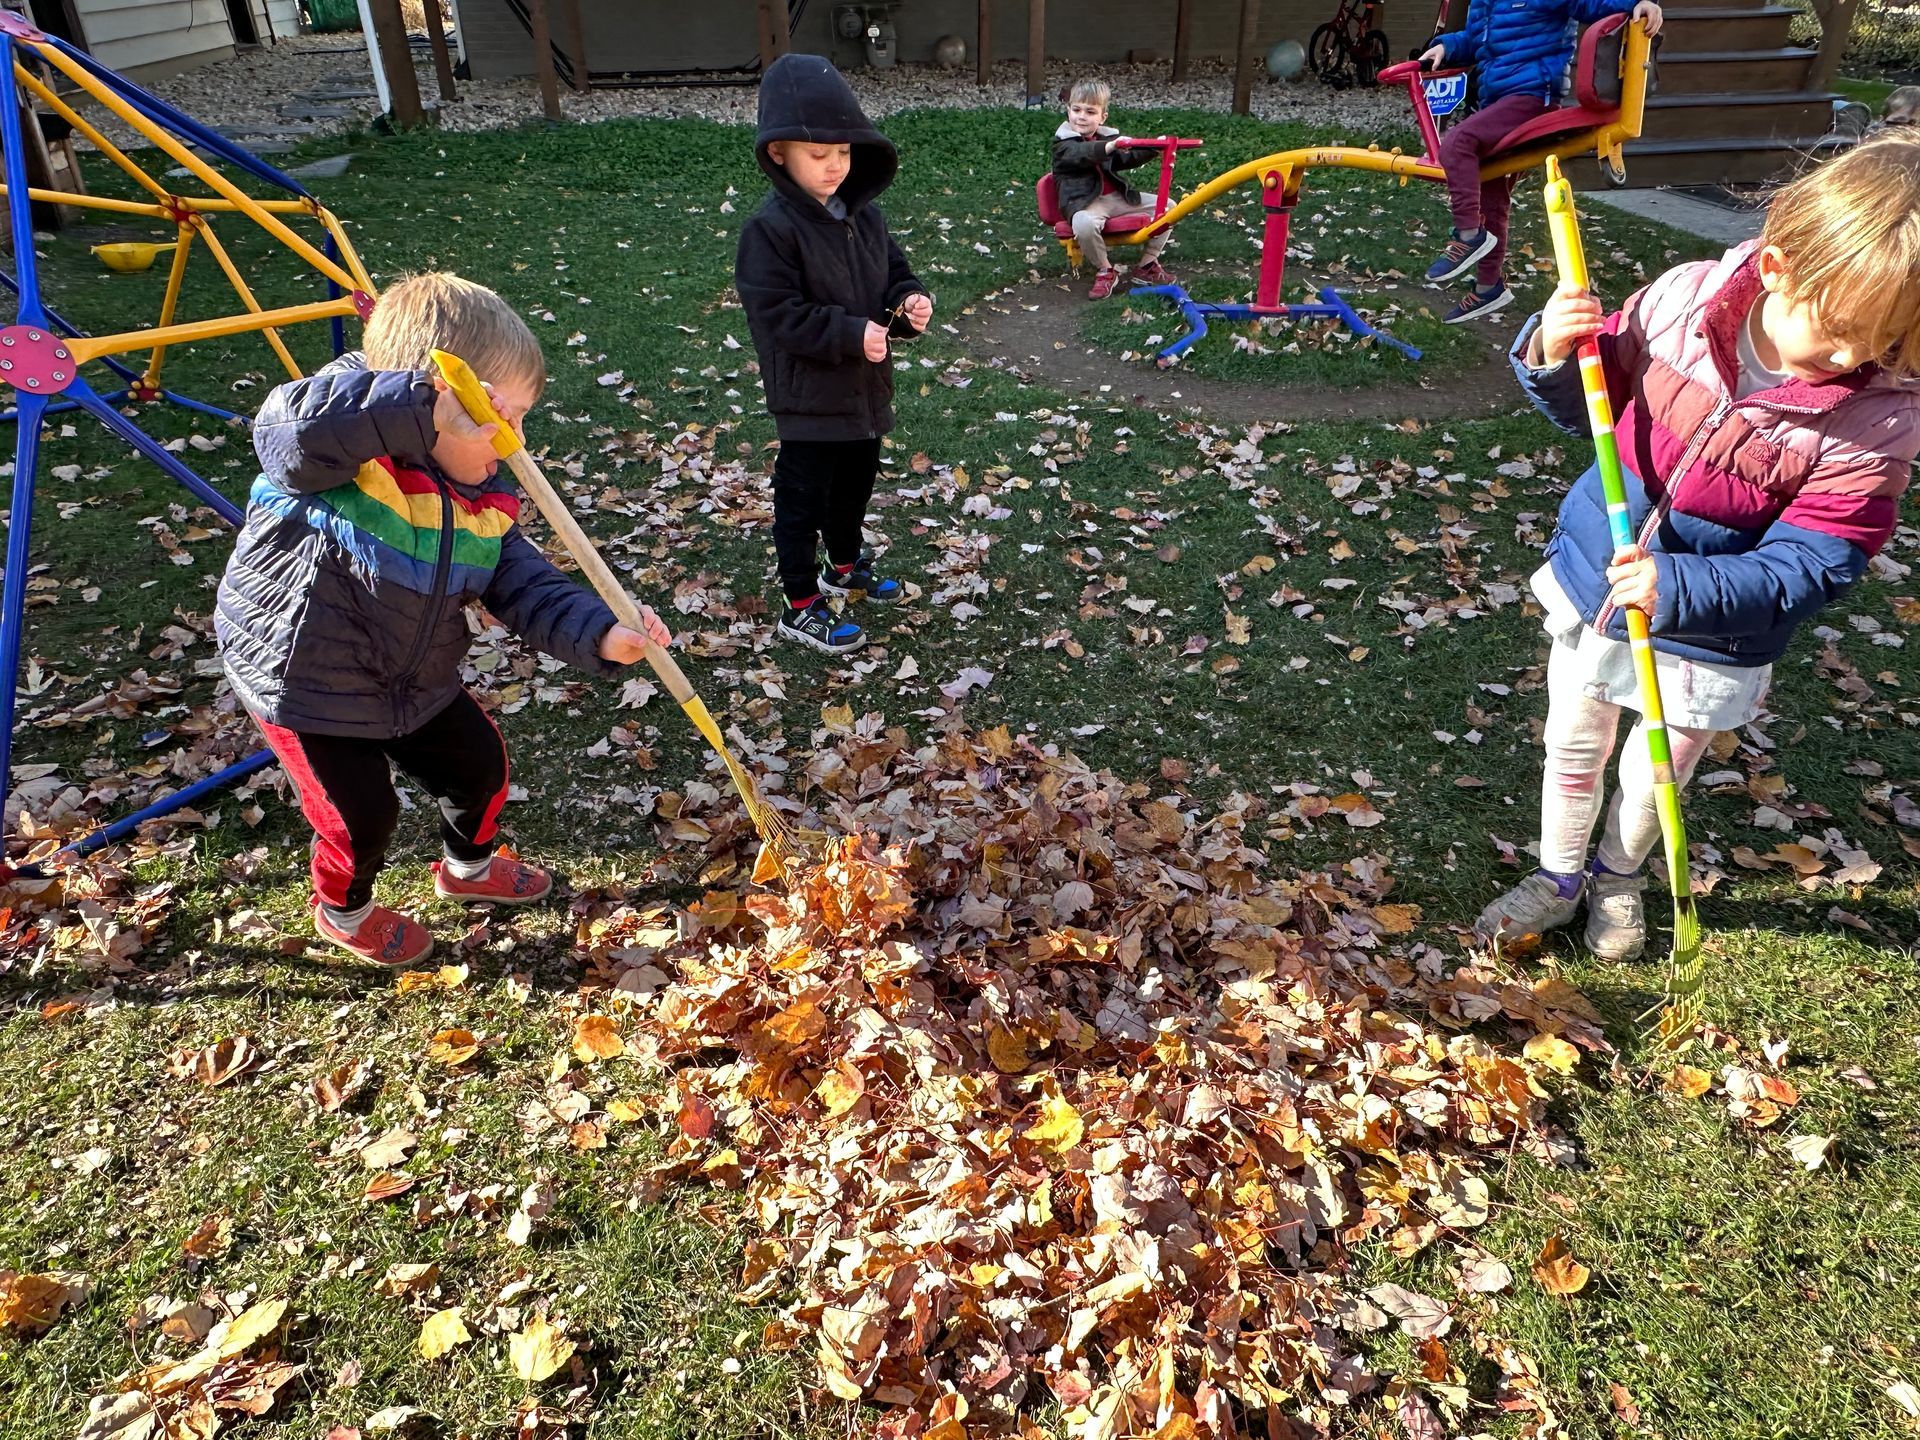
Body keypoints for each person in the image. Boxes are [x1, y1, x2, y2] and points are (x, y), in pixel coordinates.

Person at [1475, 132, 1920, 960]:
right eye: (1845, 329)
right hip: (1597, 583)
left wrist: (1677, 588)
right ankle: (1558, 875)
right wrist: (1553, 351)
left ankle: (1617, 874)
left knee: (1655, 772)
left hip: (1712, 631)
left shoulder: (1879, 418)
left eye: (1888, 339)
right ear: (1781, 268)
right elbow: (1594, 409)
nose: (1857, 356)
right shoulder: (1682, 301)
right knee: (1573, 741)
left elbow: (1819, 558)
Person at [214, 273, 673, 967]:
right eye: (501, 416)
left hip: (413, 674)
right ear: (440, 405)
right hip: (306, 683)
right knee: (360, 818)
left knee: (480, 768)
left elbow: (526, 584)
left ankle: (468, 868)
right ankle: (345, 909)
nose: (515, 440)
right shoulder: (336, 459)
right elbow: (288, 431)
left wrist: (605, 632)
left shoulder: (478, 495)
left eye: (523, 417)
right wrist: (419, 407)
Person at [734, 53, 932, 655]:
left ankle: (843, 565)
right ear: (778, 154)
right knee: (804, 497)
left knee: (855, 487)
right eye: (818, 155)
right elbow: (776, 315)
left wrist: (909, 300)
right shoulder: (769, 231)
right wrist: (850, 333)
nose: (833, 167)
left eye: (843, 153)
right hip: (808, 397)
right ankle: (800, 601)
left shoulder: (864, 216)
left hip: (865, 390)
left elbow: (893, 272)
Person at [1418, 0, 1663, 323]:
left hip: (1533, 96)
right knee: (1491, 184)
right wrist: (1446, 47)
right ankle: (1488, 286)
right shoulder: (1482, 4)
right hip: (1499, 101)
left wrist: (1640, 1)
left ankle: (1468, 235)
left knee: (1457, 143)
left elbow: (1595, 3)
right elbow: (1476, 42)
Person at [1050, 78, 1175, 301]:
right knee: (1083, 224)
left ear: (1102, 117)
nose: (1081, 116)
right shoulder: (1063, 144)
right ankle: (1105, 269)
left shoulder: (1106, 137)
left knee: (1169, 207)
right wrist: (1109, 147)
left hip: (1115, 199)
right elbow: (1082, 153)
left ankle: (1148, 263)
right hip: (1085, 203)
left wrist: (1154, 146)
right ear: (1068, 111)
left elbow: (1127, 156)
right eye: (1076, 109)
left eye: (1090, 112)